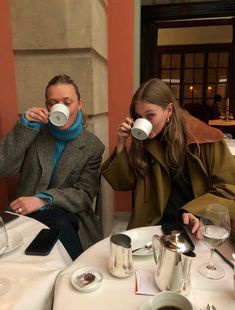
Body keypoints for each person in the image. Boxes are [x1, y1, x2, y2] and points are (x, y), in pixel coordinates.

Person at [101, 78, 235, 240]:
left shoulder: (205, 140)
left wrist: (195, 210)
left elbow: (229, 189)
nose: (144, 122)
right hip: (154, 227)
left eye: (150, 115)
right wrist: (121, 143)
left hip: (196, 226)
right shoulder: (144, 141)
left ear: (169, 111)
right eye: (138, 116)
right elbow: (123, 183)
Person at [0, 74, 104, 260]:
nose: (61, 108)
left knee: (60, 227)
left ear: (79, 103)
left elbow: (85, 194)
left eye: (67, 102)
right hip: (25, 214)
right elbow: (3, 168)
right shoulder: (34, 131)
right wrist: (23, 128)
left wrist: (43, 199)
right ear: (47, 106)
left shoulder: (92, 146)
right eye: (53, 102)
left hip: (69, 216)